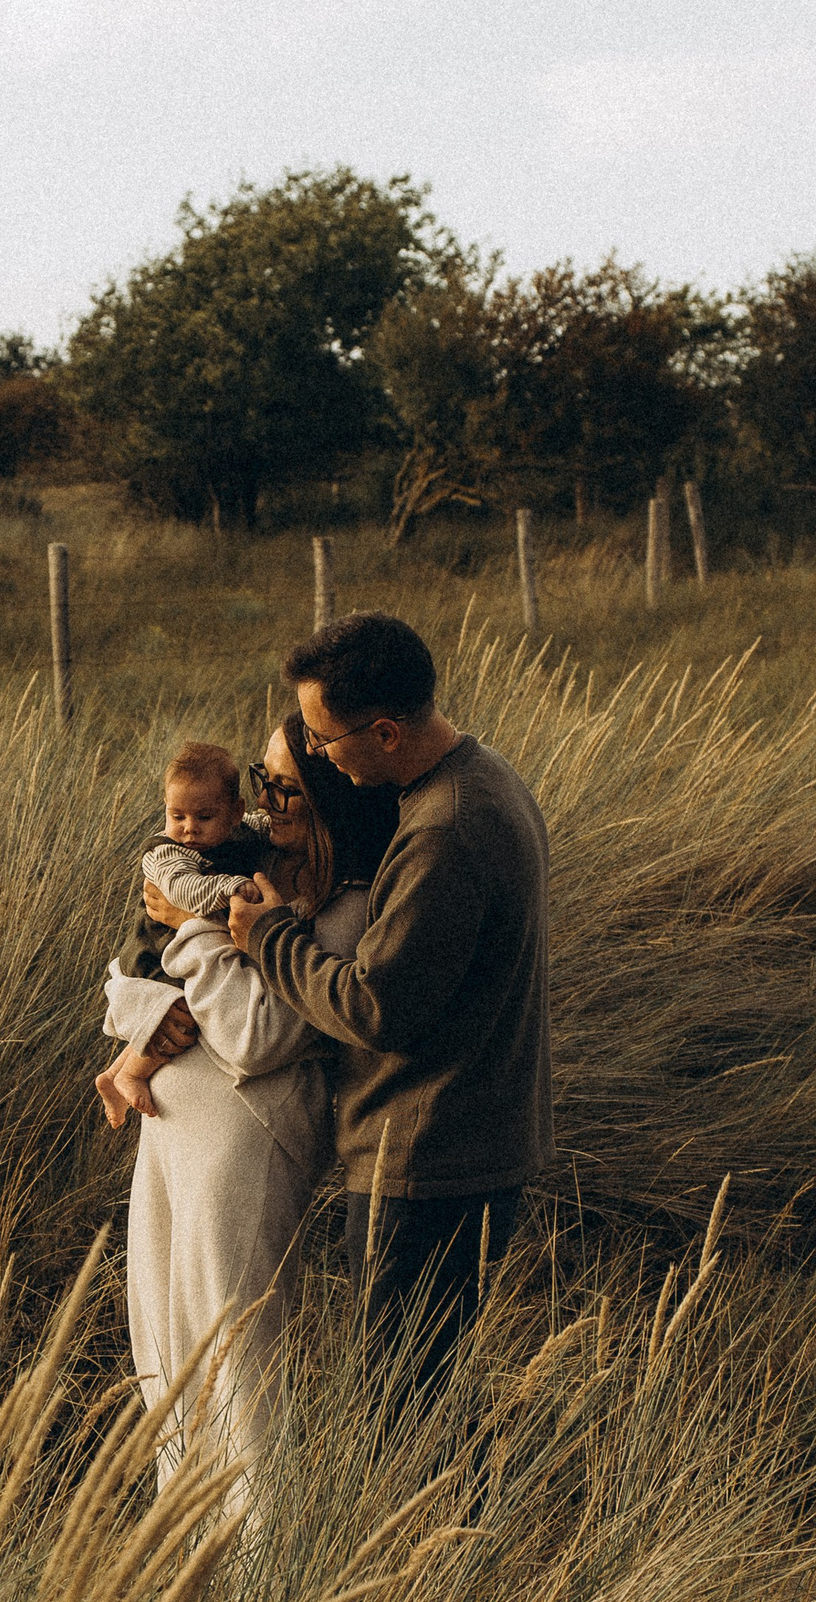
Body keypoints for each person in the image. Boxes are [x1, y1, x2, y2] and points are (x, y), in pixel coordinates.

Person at [228, 611, 552, 1404]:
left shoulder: (444, 830)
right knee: (429, 1392)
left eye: (324, 739)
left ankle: (450, 1531)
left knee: (399, 1407)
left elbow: (376, 1008)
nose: (318, 758)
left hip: (427, 1157)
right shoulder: (487, 776)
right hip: (470, 1141)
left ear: (384, 732)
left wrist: (267, 935)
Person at [99, 717, 399, 1494]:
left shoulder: (352, 903)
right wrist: (141, 1016)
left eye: (283, 786)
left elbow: (257, 1037)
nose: (267, 802)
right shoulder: (249, 864)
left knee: (239, 1366)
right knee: (166, 1361)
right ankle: (188, 1560)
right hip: (172, 1137)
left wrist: (193, 933)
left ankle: (261, 1568)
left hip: (247, 1142)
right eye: (263, 786)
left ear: (329, 794)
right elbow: (121, 982)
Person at [96, 740, 268, 1126]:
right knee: (183, 1013)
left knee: (180, 1008)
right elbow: (182, 891)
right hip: (156, 951)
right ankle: (131, 1073)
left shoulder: (238, 833)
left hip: (181, 947)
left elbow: (258, 827)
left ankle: (111, 1076)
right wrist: (230, 887)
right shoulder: (167, 854)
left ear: (236, 813)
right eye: (178, 816)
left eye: (204, 817)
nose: (189, 829)